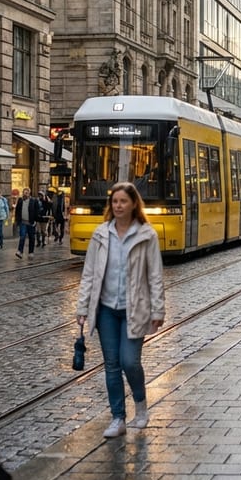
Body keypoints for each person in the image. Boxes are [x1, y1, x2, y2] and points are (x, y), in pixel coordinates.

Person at [75, 182, 165, 438]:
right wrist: (82, 307)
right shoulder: (100, 235)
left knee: (129, 361)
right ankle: (118, 418)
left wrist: (158, 310)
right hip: (105, 310)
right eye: (115, 202)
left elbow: (155, 275)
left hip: (134, 308)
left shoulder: (147, 235)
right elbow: (89, 274)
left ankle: (141, 406)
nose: (118, 206)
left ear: (133, 204)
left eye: (123, 201)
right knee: (112, 364)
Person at [15, 188, 41, 259]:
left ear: (29, 193)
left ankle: (31, 252)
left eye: (27, 193)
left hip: (31, 222)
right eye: (24, 192)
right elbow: (17, 211)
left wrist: (36, 221)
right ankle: (20, 251)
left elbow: (37, 211)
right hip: (23, 222)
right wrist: (17, 220)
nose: (25, 194)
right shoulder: (20, 200)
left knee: (31, 238)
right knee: (22, 236)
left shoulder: (34, 201)